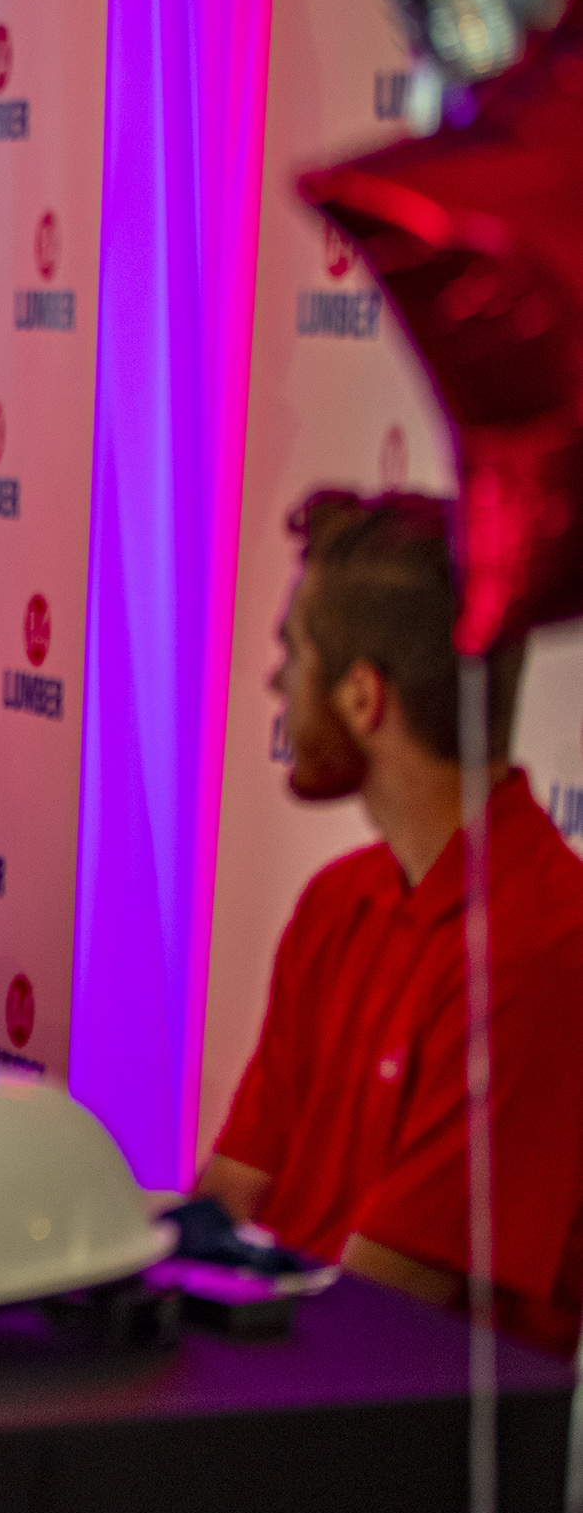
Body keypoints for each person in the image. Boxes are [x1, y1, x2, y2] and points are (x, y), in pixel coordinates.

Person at [197, 490, 583, 1357]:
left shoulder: (539, 955)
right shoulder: (337, 903)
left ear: (363, 696)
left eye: (289, 653)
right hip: (270, 1393)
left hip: (387, 1444)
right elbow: (231, 1191)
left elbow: (385, 1313)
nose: (272, 682)